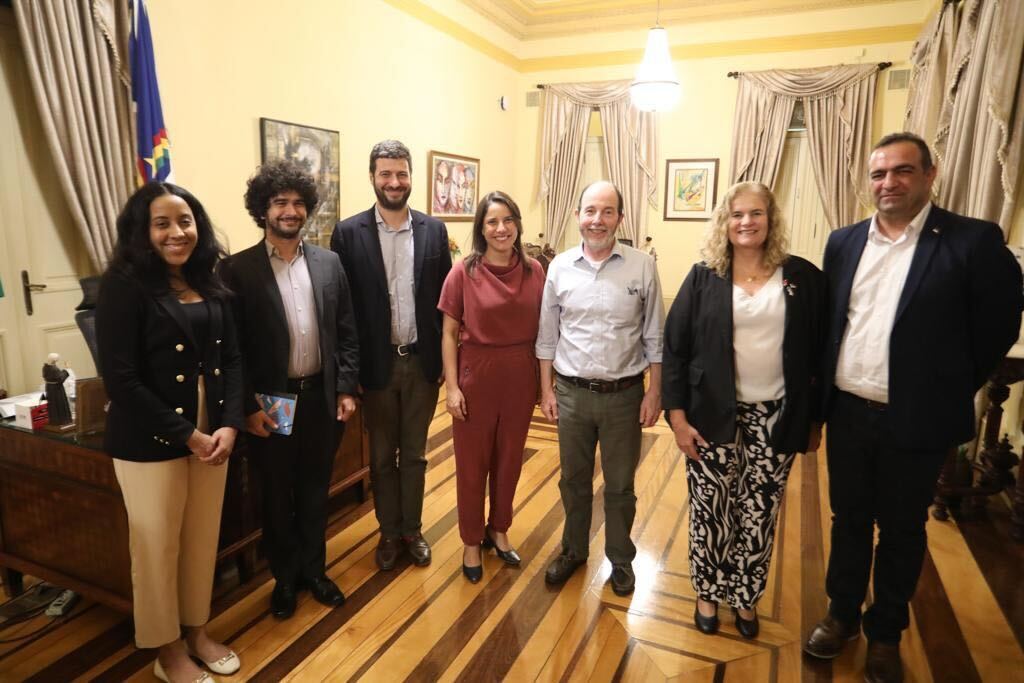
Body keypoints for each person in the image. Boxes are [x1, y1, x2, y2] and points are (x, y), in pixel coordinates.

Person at [803, 132, 1023, 683]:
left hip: (918, 418)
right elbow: (834, 323)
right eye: (878, 174)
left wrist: (945, 384)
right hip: (849, 411)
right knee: (848, 520)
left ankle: (885, 635)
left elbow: (997, 326)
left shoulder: (972, 241)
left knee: (902, 530)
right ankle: (841, 615)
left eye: (902, 171)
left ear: (930, 175)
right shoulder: (843, 241)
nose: (888, 183)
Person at [663, 181, 825, 639]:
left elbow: (818, 355)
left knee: (759, 510)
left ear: (770, 219)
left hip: (776, 417)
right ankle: (708, 593)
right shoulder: (704, 276)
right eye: (737, 215)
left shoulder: (802, 278)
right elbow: (675, 350)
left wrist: (814, 420)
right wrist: (677, 419)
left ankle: (746, 596)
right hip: (711, 414)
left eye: (755, 213)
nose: (746, 222)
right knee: (711, 508)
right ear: (725, 222)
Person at [96, 182, 244, 682]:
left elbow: (231, 357)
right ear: (142, 231)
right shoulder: (123, 283)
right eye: (163, 223)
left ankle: (198, 630)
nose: (177, 232)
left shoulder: (210, 276)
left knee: (202, 540)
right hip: (150, 437)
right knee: (157, 546)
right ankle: (168, 650)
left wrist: (227, 423)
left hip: (212, 429)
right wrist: (189, 435)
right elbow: (121, 379)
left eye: (185, 221)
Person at [220, 160, 359, 620]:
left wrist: (345, 388)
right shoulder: (236, 271)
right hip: (271, 404)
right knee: (277, 496)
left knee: (316, 489)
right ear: (263, 209)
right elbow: (231, 351)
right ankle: (284, 579)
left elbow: (345, 333)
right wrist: (244, 408)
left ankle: (315, 572)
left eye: (298, 203)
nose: (290, 210)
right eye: (280, 202)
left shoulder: (329, 263)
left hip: (319, 397)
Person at [536, 180, 664, 596]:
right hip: (571, 393)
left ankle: (621, 559)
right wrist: (546, 390)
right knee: (572, 481)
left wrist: (654, 392)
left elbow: (655, 335)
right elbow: (546, 336)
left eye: (607, 212)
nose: (598, 220)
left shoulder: (642, 266)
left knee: (620, 486)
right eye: (590, 211)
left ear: (620, 219)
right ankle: (573, 550)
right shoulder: (558, 267)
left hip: (624, 396)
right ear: (577, 216)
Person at [332, 140, 452, 570]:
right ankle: (387, 532)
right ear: (372, 177)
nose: (394, 182)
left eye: (401, 174)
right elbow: (343, 312)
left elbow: (445, 304)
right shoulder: (347, 234)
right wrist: (350, 374)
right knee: (381, 458)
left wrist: (444, 363)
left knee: (415, 454)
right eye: (386, 174)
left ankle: (411, 530)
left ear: (410, 177)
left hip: (421, 365)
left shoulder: (434, 231)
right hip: (376, 367)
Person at [438, 191, 545, 582]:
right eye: (492, 222)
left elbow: (546, 333)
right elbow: (449, 333)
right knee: (471, 465)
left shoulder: (536, 271)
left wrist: (542, 385)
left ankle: (498, 530)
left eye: (507, 220)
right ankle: (470, 540)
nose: (501, 229)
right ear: (481, 229)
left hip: (520, 375)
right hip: (475, 375)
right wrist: (451, 387)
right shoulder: (463, 272)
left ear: (517, 224)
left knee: (509, 461)